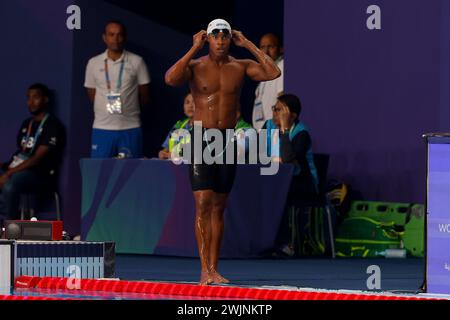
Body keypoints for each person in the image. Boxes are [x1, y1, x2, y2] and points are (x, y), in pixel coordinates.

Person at [165, 18, 281, 285]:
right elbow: (170, 78)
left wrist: (249, 44)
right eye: (214, 37)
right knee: (203, 203)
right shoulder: (195, 67)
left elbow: (273, 72)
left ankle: (214, 269)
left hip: (226, 139)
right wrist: (194, 47)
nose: (219, 41)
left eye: (224, 37)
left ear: (230, 39)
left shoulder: (240, 67)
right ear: (209, 39)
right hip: (200, 138)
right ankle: (204, 269)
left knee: (219, 207)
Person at [84, 21, 151, 159]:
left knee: (131, 174)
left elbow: (144, 95)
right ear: (104, 37)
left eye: (119, 35)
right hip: (102, 127)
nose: (116, 38)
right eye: (111, 34)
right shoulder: (93, 63)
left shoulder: (137, 61)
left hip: (130, 127)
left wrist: (129, 109)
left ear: (125, 37)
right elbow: (92, 94)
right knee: (99, 173)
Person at [263, 94, 319, 257]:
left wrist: (285, 130)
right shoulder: (268, 127)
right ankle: (260, 241)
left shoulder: (301, 133)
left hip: (301, 183)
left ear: (292, 115)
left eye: (279, 110)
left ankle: (284, 244)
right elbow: (257, 153)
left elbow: (288, 160)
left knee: (277, 196)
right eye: (274, 108)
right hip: (272, 179)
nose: (274, 113)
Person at [0, 84, 65, 221]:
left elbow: (36, 158)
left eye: (35, 97)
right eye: (28, 98)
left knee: (11, 183)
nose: (31, 102)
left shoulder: (52, 125)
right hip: (18, 168)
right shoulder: (27, 123)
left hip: (39, 174)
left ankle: (9, 226)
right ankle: (11, 215)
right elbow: (22, 151)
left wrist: (9, 173)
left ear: (45, 99)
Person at [252, 33, 284, 132]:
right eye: (262, 47)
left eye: (271, 46)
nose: (266, 51)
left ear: (281, 49)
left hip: (274, 130)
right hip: (262, 131)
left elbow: (282, 100)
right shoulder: (265, 72)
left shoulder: (282, 66)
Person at [159, 92, 195, 160]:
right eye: (187, 102)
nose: (190, 106)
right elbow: (167, 148)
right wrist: (163, 153)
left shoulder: (205, 126)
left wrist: (177, 155)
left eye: (194, 102)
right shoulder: (179, 124)